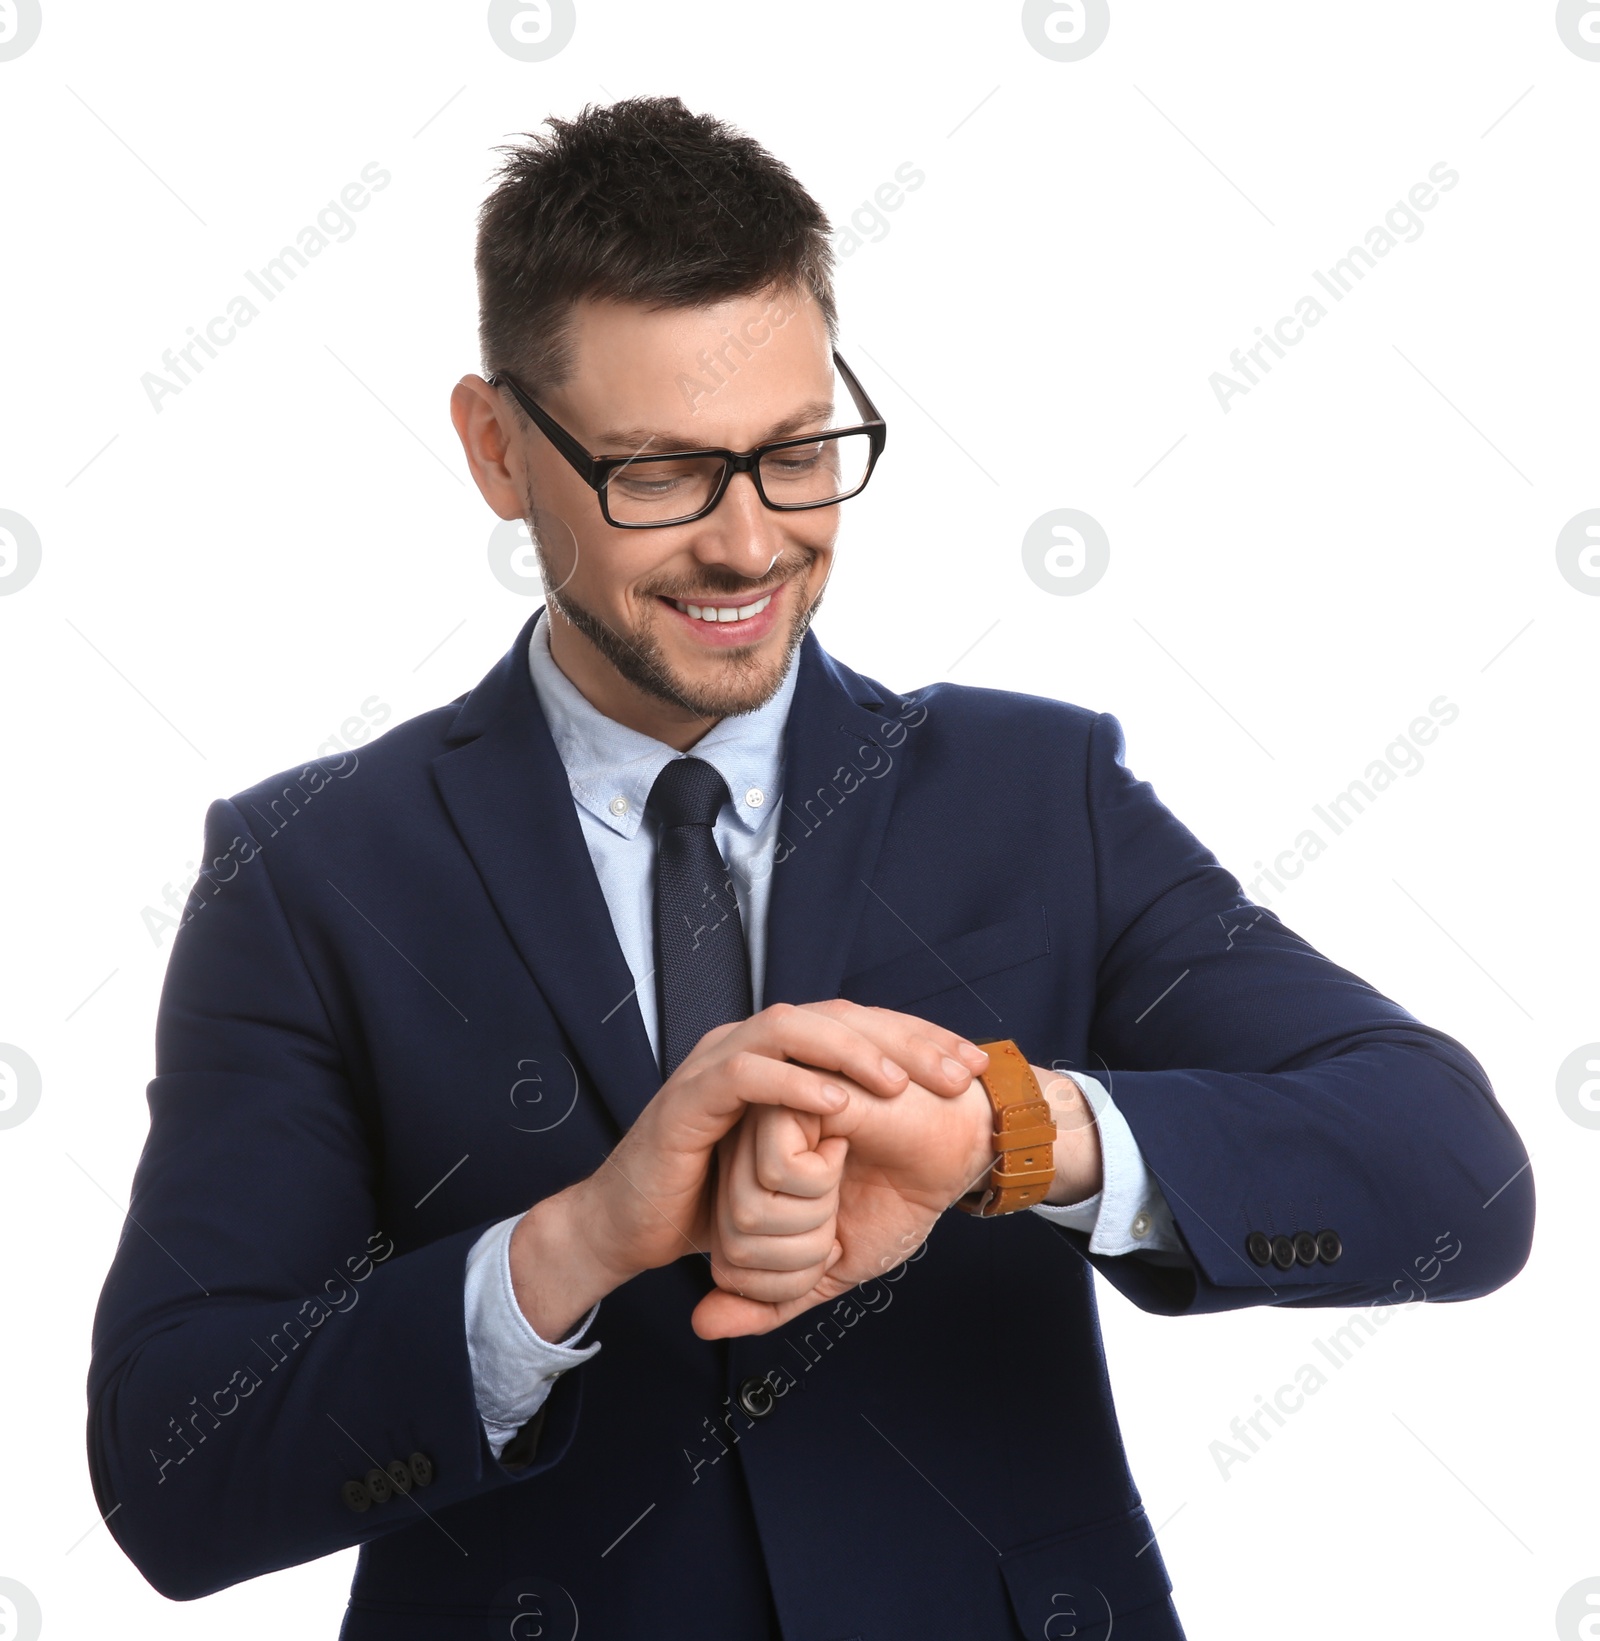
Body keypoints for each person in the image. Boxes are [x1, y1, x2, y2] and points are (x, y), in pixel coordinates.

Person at [87, 96, 1534, 1641]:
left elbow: (1455, 1170)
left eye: (795, 456)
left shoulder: (1042, 795)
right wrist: (575, 1241)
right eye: (658, 473)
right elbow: (173, 1467)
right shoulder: (310, 869)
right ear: (498, 449)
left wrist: (1011, 1134)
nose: (749, 544)